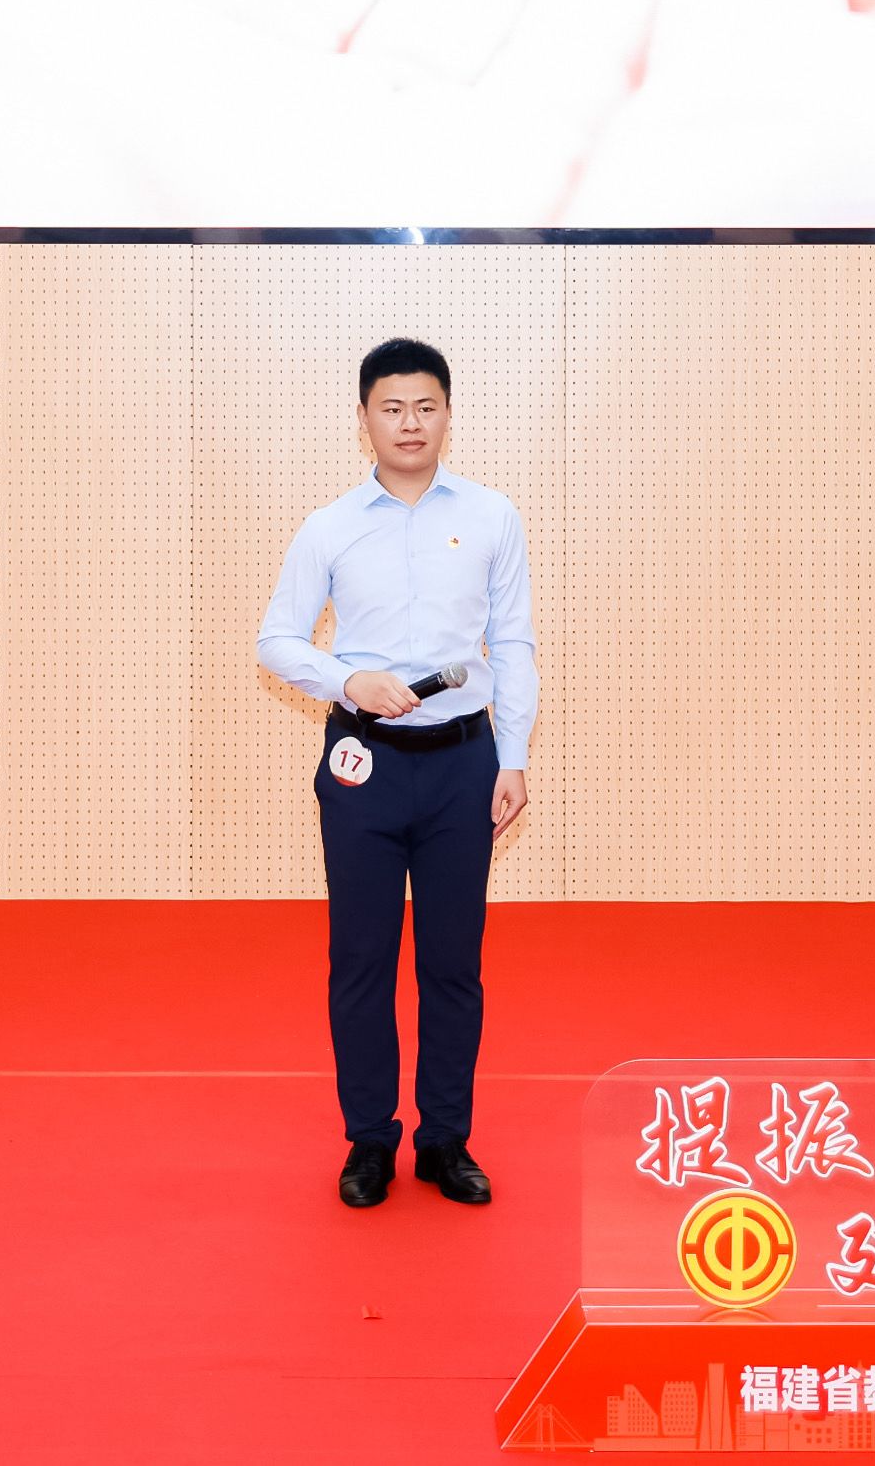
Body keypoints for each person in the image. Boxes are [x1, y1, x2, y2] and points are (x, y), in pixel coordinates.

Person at [258, 339, 538, 1209]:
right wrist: (349, 680)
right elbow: (277, 640)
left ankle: (445, 1138)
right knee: (362, 957)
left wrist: (513, 757)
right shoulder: (330, 525)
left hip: (464, 764)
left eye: (425, 406)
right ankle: (370, 1138)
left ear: (448, 413)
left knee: (453, 962)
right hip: (363, 765)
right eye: (391, 407)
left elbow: (513, 642)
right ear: (364, 419)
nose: (409, 423)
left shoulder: (491, 515)